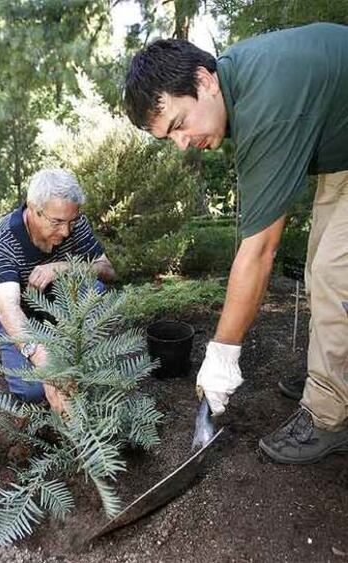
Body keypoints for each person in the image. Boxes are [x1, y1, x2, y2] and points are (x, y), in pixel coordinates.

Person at [124, 23, 348, 463]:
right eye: (167, 137)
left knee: (333, 274)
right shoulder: (241, 85)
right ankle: (333, 376)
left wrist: (222, 356)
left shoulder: (268, 101)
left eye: (179, 124)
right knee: (322, 264)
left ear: (205, 81)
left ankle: (329, 417)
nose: (182, 143)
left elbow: (260, 250)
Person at [0, 168, 116, 412]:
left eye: (71, 221)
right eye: (56, 222)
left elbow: (108, 270)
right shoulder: (2, 240)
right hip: (22, 317)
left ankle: (79, 354)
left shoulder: (76, 225)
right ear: (33, 209)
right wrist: (46, 364)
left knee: (96, 288)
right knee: (33, 390)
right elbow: (8, 309)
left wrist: (66, 267)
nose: (66, 232)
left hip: (62, 308)